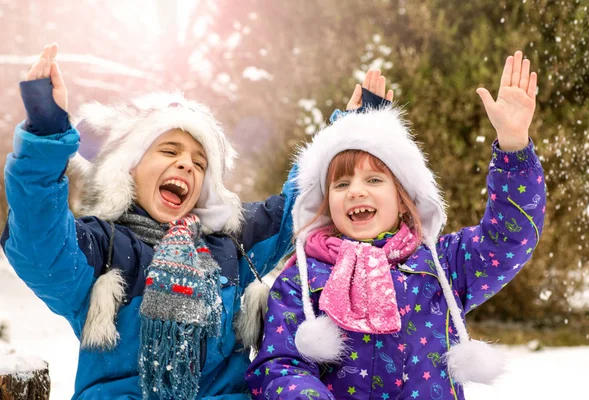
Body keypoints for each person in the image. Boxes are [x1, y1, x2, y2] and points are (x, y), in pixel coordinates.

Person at [0, 43, 391, 399]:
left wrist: (353, 134)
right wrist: (45, 138)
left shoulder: (233, 243)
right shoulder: (102, 247)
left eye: (199, 163)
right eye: (169, 151)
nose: (186, 164)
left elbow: (300, 203)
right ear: (131, 168)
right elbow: (39, 243)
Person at [246, 51, 545, 400]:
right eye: (341, 185)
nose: (356, 191)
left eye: (374, 180)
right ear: (327, 203)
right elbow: (280, 365)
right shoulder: (304, 277)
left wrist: (513, 146)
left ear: (403, 198)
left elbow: (507, 238)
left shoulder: (442, 265)